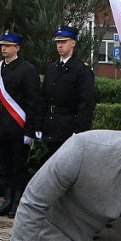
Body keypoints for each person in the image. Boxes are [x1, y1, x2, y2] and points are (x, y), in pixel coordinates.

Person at [0, 31, 41, 218]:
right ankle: (7, 200)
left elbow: (33, 101)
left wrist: (29, 130)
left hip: (19, 126)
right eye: (2, 45)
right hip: (2, 126)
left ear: (17, 47)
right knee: (5, 166)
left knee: (18, 167)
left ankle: (18, 201)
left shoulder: (27, 69)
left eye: (7, 45)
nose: (4, 48)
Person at [35, 24, 95, 167]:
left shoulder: (81, 70)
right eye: (58, 42)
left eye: (63, 42)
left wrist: (79, 131)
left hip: (68, 129)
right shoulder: (52, 68)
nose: (60, 45)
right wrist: (38, 125)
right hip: (51, 128)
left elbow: (86, 103)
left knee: (67, 170)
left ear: (73, 43)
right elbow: (43, 99)